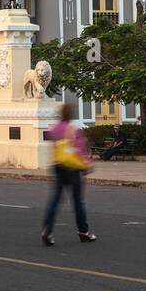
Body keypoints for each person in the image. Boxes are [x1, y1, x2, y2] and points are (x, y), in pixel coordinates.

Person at [41, 103, 96, 245]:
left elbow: (54, 149)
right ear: (71, 115)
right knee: (78, 201)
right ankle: (83, 231)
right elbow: (80, 149)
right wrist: (87, 164)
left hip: (58, 166)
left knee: (55, 200)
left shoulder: (54, 129)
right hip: (72, 169)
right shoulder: (73, 130)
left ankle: (48, 229)